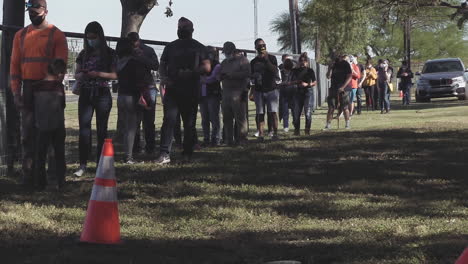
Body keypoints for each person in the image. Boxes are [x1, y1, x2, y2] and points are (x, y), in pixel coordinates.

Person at [10, 0, 68, 189]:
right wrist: (16, 92)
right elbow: (15, 66)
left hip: (49, 91)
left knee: (50, 136)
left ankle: (53, 179)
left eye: (35, 10)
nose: (32, 13)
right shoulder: (20, 35)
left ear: (45, 11)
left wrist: (50, 84)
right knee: (28, 135)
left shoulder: (56, 35)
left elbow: (60, 67)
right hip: (28, 88)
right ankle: (30, 178)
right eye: (29, 10)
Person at [156, 17, 209, 164]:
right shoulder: (170, 47)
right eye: (180, 27)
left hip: (190, 89)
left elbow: (207, 67)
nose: (181, 30)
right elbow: (162, 64)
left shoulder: (199, 47)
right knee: (169, 121)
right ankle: (164, 153)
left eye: (184, 28)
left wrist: (192, 72)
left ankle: (187, 153)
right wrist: (164, 77)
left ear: (192, 30)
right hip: (173, 88)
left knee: (189, 123)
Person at [73, 22, 117, 177]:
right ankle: (83, 164)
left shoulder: (110, 54)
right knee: (84, 130)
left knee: (101, 130)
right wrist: (83, 74)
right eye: (88, 38)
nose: (91, 40)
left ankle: (101, 164)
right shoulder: (83, 54)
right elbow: (76, 74)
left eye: (94, 37)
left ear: (100, 36)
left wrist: (98, 74)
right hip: (85, 93)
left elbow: (114, 75)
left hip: (102, 93)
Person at [33, 59, 67, 191]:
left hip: (41, 124)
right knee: (59, 153)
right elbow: (62, 105)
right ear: (60, 73)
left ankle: (39, 183)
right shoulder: (59, 87)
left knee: (40, 154)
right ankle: (60, 181)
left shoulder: (36, 86)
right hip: (57, 123)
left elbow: (31, 105)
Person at [116, 38, 150, 164]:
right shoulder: (134, 62)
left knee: (126, 127)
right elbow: (142, 80)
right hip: (132, 96)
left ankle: (128, 154)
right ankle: (128, 157)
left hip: (121, 96)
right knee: (132, 128)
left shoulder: (119, 63)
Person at [127, 32, 160, 154]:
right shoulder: (126, 50)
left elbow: (156, 66)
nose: (133, 43)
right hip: (134, 87)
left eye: (135, 41)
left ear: (138, 40)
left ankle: (150, 147)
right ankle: (135, 147)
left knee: (148, 120)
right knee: (135, 120)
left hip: (147, 86)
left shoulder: (147, 50)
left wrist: (141, 57)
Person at [219, 42, 251, 145]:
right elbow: (219, 74)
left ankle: (242, 139)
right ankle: (229, 140)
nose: (225, 54)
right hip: (226, 92)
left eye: (227, 52)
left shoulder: (243, 60)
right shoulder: (224, 62)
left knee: (240, 118)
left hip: (239, 92)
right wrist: (220, 76)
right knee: (227, 118)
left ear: (232, 51)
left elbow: (247, 73)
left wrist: (232, 75)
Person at [250, 38, 280, 141]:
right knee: (260, 113)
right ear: (255, 48)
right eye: (259, 46)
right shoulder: (253, 61)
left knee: (272, 113)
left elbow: (274, 70)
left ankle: (274, 133)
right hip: (259, 90)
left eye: (263, 45)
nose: (262, 47)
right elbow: (251, 76)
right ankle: (261, 134)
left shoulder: (272, 58)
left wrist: (266, 59)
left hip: (271, 89)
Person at [199, 46, 222, 147]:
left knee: (214, 117)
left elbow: (213, 78)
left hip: (213, 94)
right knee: (204, 119)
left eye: (211, 52)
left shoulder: (217, 65)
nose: (209, 54)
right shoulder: (201, 64)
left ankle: (216, 139)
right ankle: (206, 138)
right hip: (202, 95)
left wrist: (204, 79)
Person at [324, 54, 353, 130]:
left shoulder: (345, 64)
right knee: (331, 107)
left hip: (344, 89)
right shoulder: (333, 65)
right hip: (334, 88)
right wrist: (330, 68)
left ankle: (347, 124)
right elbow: (328, 76)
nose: (335, 59)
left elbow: (350, 76)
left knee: (345, 107)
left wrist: (343, 87)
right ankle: (328, 125)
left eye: (336, 57)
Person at [292, 53, 317, 135]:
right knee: (296, 113)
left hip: (308, 92)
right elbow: (291, 80)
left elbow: (315, 82)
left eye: (305, 61)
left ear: (307, 62)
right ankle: (297, 130)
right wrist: (297, 82)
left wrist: (307, 84)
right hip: (297, 92)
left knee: (308, 113)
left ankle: (307, 130)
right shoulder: (295, 71)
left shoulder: (310, 70)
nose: (303, 62)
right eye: (301, 61)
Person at [278, 58, 295, 133]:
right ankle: (286, 126)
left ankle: (295, 123)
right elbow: (278, 82)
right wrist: (283, 83)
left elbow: (297, 81)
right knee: (285, 111)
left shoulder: (293, 72)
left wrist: (291, 83)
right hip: (283, 93)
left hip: (293, 93)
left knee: (294, 110)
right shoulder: (281, 72)